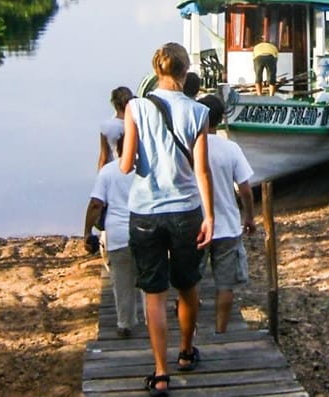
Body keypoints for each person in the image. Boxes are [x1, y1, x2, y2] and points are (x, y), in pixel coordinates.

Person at [120, 42, 214, 397]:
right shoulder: (199, 112)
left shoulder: (135, 107)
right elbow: (202, 172)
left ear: (156, 71)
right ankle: (186, 353)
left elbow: (127, 165)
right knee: (188, 287)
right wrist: (210, 217)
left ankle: (160, 373)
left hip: (145, 211)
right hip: (187, 211)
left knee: (154, 294)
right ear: (185, 73)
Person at [196, 94, 257, 334]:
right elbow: (245, 189)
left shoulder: (190, 147)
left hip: (197, 225)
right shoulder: (230, 148)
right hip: (228, 226)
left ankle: (189, 330)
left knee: (191, 280)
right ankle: (220, 330)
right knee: (225, 285)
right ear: (221, 119)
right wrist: (249, 217)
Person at [84, 137, 140, 337]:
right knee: (150, 281)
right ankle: (154, 320)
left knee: (122, 280)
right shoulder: (150, 170)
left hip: (118, 235)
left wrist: (87, 232)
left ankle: (125, 323)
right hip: (147, 232)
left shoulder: (108, 171)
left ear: (117, 148)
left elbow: (96, 204)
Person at [98, 86, 133, 168]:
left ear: (114, 104)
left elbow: (103, 157)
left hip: (113, 168)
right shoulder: (136, 124)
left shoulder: (106, 127)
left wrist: (100, 176)